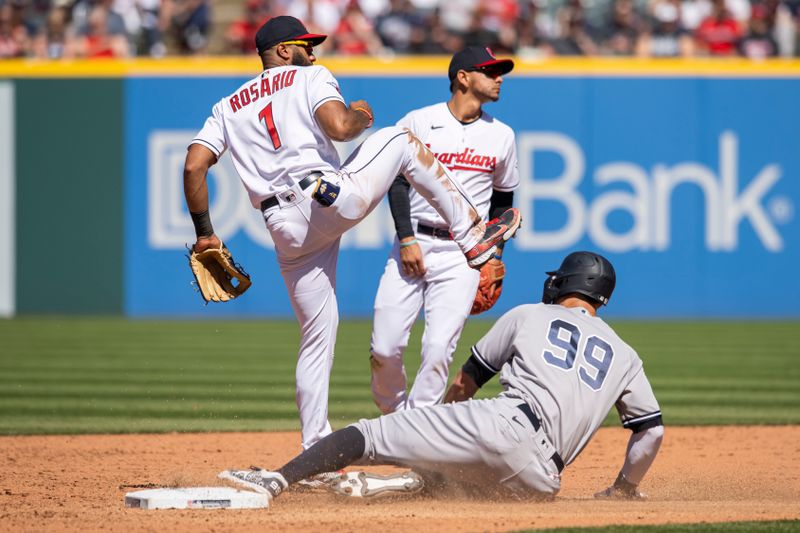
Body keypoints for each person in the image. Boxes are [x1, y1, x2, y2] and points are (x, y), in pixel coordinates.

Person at [183, 16, 520, 459]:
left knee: (316, 336)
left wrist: (205, 234)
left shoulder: (227, 106)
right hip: (325, 198)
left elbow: (193, 165)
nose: (313, 51)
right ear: (284, 51)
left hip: (282, 229)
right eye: (305, 44)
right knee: (400, 140)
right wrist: (361, 112)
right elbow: (341, 126)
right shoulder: (309, 76)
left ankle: (315, 449)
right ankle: (473, 235)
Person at [220, 251, 664, 502]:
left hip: (502, 427)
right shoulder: (626, 355)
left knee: (370, 434)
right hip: (542, 480)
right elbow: (651, 432)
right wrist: (624, 488)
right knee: (449, 489)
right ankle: (375, 488)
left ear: (563, 283)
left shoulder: (531, 314)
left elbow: (466, 382)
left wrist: (436, 429)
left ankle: (274, 481)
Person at [369, 46, 518, 415]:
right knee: (384, 349)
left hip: (463, 253)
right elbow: (396, 182)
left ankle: (417, 433)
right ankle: (393, 418)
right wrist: (405, 238)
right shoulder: (419, 121)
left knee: (438, 350)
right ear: (463, 78)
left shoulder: (502, 136)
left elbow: (502, 201)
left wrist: (492, 254)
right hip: (414, 241)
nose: (499, 78)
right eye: (490, 71)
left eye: (500, 72)